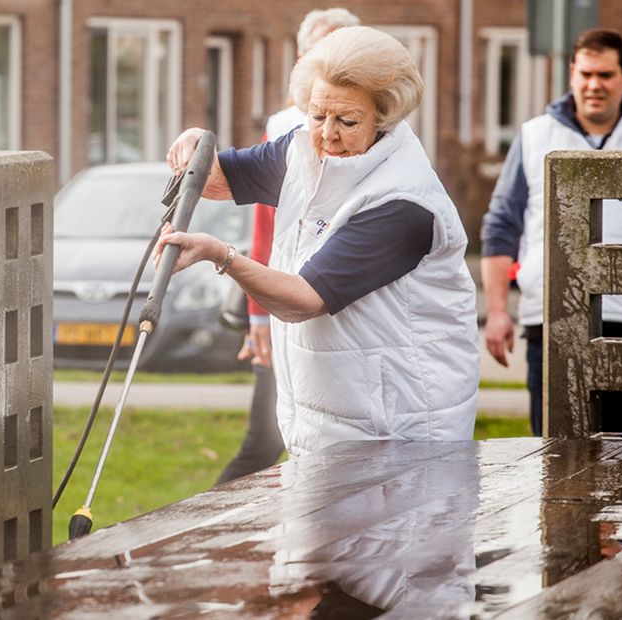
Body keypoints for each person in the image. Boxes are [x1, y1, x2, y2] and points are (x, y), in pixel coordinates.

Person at [163, 26, 479, 455]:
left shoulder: (403, 204)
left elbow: (304, 301)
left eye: (347, 121)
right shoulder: (303, 154)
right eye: (316, 115)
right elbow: (219, 178)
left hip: (397, 428)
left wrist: (222, 255)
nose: (328, 134)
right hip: (330, 420)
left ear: (384, 118)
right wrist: (196, 144)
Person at [481, 30, 622, 437]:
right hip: (551, 317)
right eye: (586, 73)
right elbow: (501, 224)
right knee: (554, 455)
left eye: (605, 74)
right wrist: (498, 311)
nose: (594, 85)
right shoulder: (535, 136)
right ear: (572, 73)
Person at [217, 7, 360, 484]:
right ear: (302, 59)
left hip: (348, 293)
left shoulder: (376, 125)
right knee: (266, 440)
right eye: (321, 52)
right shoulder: (284, 127)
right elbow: (264, 225)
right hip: (287, 292)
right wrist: (258, 313)